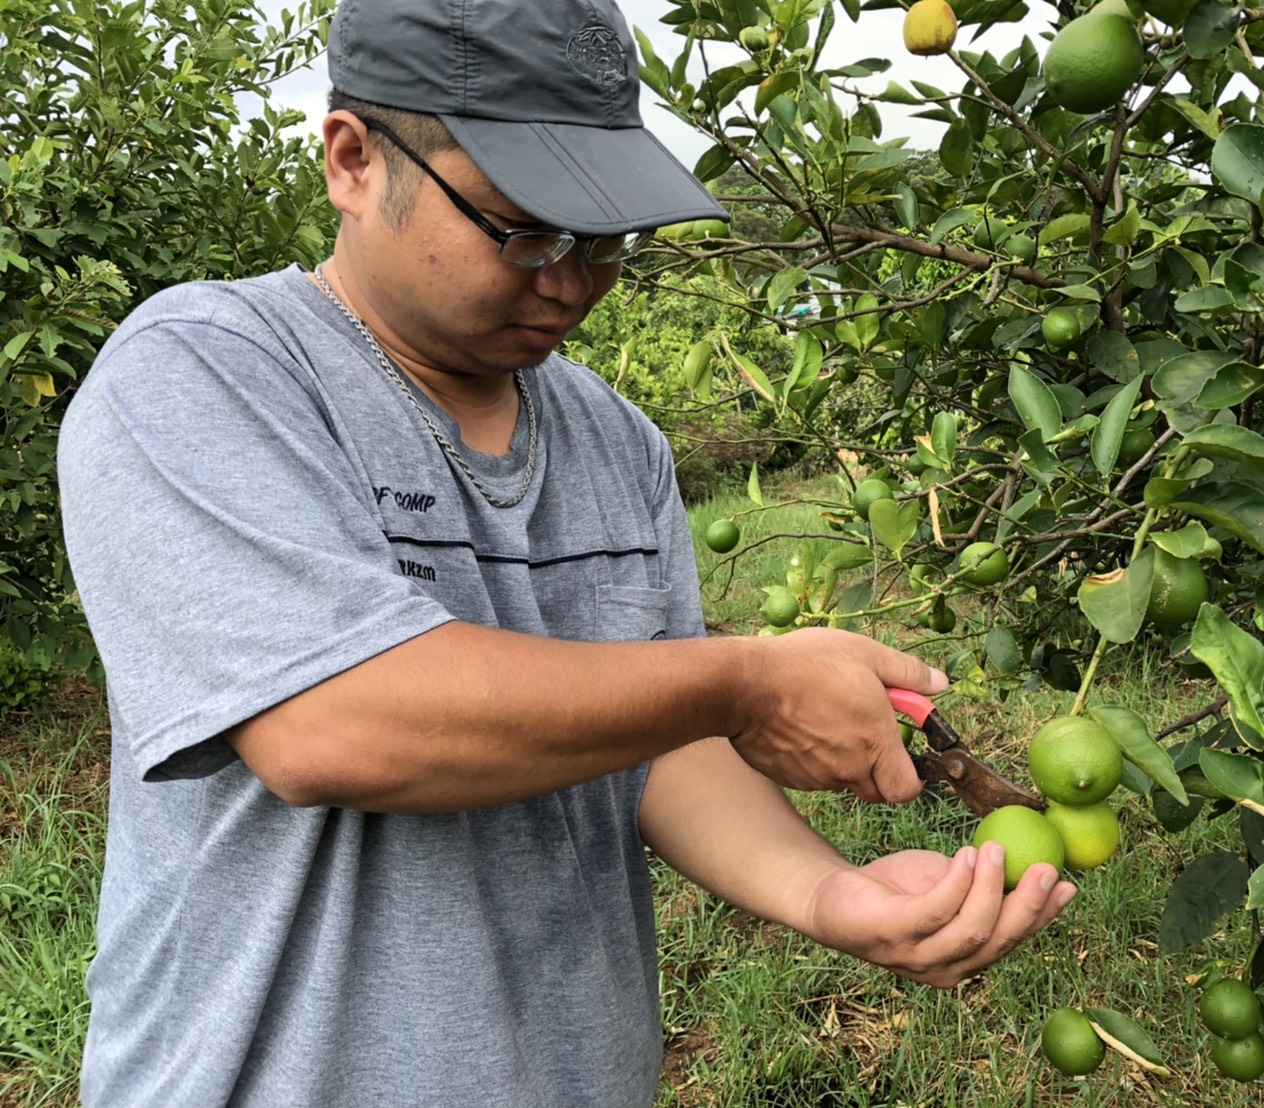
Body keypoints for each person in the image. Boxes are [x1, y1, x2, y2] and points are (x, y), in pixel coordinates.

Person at [56, 0, 1077, 1103]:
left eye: (606, 241)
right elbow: (330, 726)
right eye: (525, 229)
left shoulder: (613, 440)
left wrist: (829, 896)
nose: (571, 282)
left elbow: (653, 736)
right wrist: (746, 678)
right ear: (353, 160)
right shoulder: (207, 373)